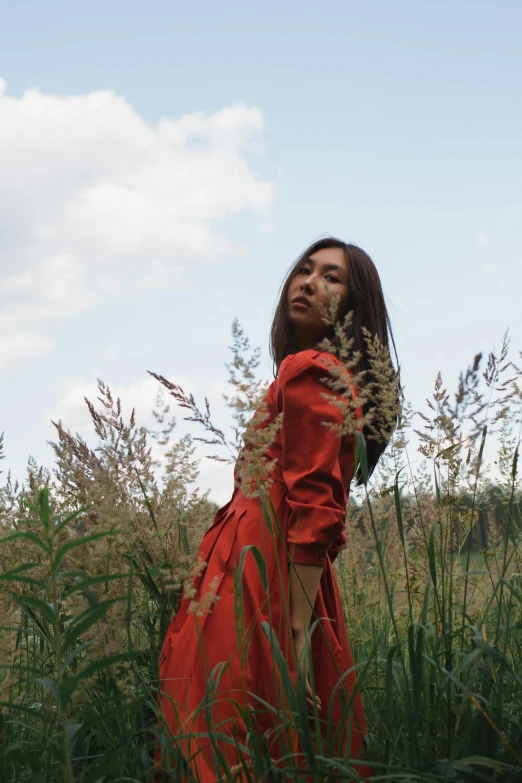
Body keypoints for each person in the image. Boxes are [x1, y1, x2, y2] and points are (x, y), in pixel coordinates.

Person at [154, 237, 401, 782]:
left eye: (332, 277)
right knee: (258, 737)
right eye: (304, 270)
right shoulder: (308, 370)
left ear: (355, 307)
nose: (309, 282)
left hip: (259, 574)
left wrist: (293, 633)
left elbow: (316, 502)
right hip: (260, 567)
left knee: (224, 733)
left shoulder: (312, 368)